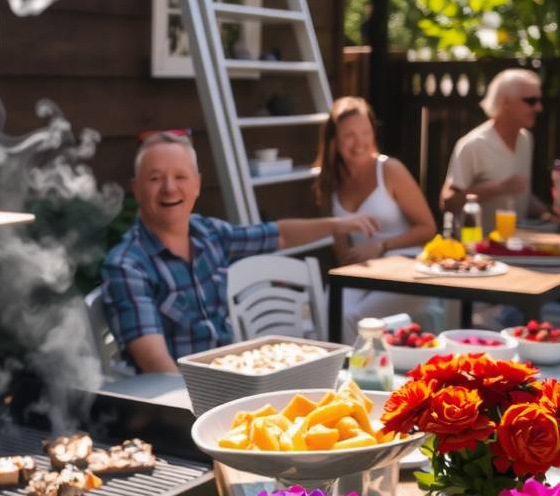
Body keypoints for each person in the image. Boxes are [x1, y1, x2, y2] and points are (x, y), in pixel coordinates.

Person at [100, 131, 379, 374]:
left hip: (228, 378)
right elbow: (156, 365)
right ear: (136, 189)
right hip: (176, 400)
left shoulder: (208, 234)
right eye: (155, 178)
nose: (169, 188)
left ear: (196, 184)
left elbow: (279, 234)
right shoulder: (127, 266)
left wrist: (336, 225)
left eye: (180, 176)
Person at [314, 97, 438, 340]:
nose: (359, 142)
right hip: (363, 271)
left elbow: (428, 228)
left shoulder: (390, 170)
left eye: (365, 132)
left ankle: (361, 373)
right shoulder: (330, 183)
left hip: (407, 269)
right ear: (333, 140)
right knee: (331, 307)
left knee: (357, 316)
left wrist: (381, 246)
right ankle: (335, 371)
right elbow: (342, 252)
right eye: (349, 135)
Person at [440, 69, 548, 235]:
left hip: (514, 246)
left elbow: (519, 194)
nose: (538, 108)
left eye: (539, 100)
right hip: (476, 250)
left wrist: (548, 214)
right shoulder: (473, 144)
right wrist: (499, 188)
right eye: (531, 101)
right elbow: (448, 202)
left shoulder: (526, 140)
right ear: (506, 102)